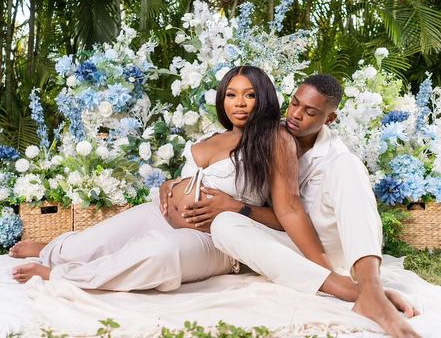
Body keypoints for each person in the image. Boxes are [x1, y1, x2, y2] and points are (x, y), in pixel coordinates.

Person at [9, 66, 345, 295]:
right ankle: (56, 251)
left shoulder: (274, 138)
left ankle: (65, 275)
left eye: (249, 95)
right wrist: (171, 184)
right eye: (231, 94)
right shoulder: (216, 135)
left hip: (214, 242)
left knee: (158, 253)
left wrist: (323, 271)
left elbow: (288, 212)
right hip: (161, 212)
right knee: (84, 245)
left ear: (264, 98)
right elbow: (198, 175)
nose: (239, 103)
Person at [174, 74, 419, 338]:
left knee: (350, 166)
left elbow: (309, 212)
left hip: (327, 250)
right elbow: (281, 212)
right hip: (288, 248)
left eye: (310, 111)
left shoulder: (337, 159)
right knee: (224, 224)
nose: (296, 115)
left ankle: (371, 290)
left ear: (329, 119)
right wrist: (179, 186)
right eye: (294, 104)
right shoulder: (271, 137)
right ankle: (358, 293)